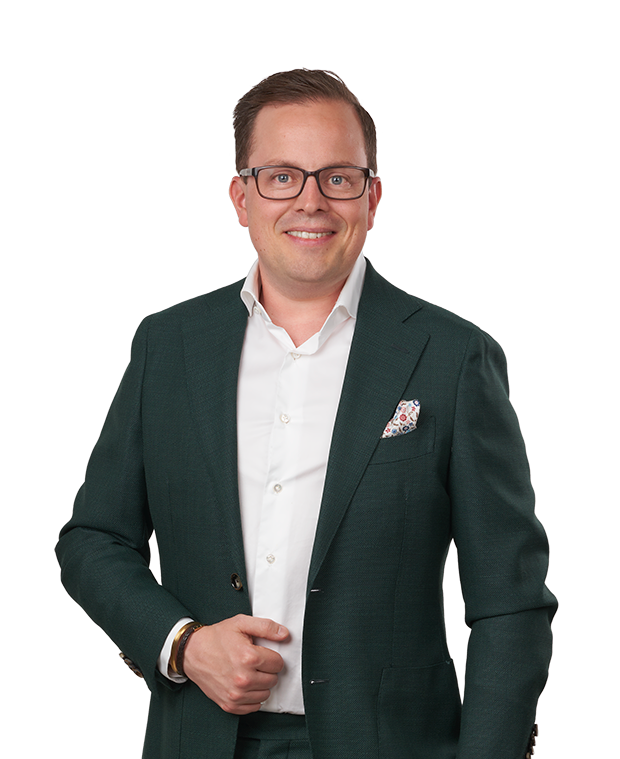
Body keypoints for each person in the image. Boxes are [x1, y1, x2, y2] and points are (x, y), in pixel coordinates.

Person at [56, 68, 557, 759]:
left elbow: (510, 602)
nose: (311, 201)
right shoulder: (168, 347)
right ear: (242, 196)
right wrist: (184, 644)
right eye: (282, 176)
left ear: (371, 196)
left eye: (338, 177)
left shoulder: (453, 357)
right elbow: (93, 540)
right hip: (199, 739)